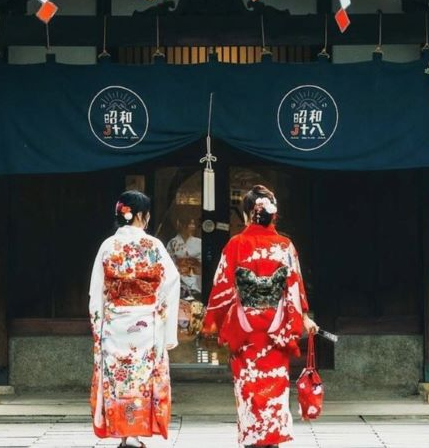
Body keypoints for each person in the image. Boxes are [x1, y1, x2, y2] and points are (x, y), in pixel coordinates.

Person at [201, 185, 318, 448]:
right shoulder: (285, 246)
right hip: (277, 329)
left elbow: (221, 288)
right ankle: (273, 441)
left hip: (245, 331)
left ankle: (254, 439)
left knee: (249, 388)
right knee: (274, 387)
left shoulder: (235, 245)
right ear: (273, 215)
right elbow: (294, 288)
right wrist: (304, 318)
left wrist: (216, 322)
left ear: (246, 216)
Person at [89, 190, 180, 448]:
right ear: (141, 215)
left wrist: (99, 327)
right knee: (142, 379)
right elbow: (170, 284)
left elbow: (97, 291)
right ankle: (135, 434)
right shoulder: (153, 246)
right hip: (146, 325)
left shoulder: (108, 246)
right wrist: (166, 329)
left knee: (118, 379)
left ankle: (122, 432)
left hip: (115, 324)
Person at [166, 215, 202, 298]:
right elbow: (169, 262)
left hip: (196, 278)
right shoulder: (173, 242)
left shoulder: (199, 242)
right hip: (180, 278)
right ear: (182, 225)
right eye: (190, 224)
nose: (193, 226)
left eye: (193, 224)